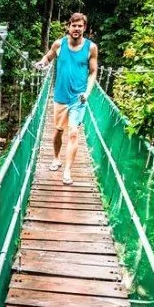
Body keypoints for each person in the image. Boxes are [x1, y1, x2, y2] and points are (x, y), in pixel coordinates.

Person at [36, 12, 99, 185]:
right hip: (60, 97)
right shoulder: (59, 44)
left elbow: (93, 72)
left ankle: (67, 171)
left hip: (78, 98)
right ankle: (56, 158)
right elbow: (48, 57)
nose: (76, 29)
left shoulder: (91, 47)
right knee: (58, 131)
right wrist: (42, 62)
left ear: (84, 28)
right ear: (69, 26)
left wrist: (87, 93)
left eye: (80, 26)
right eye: (74, 25)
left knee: (73, 133)